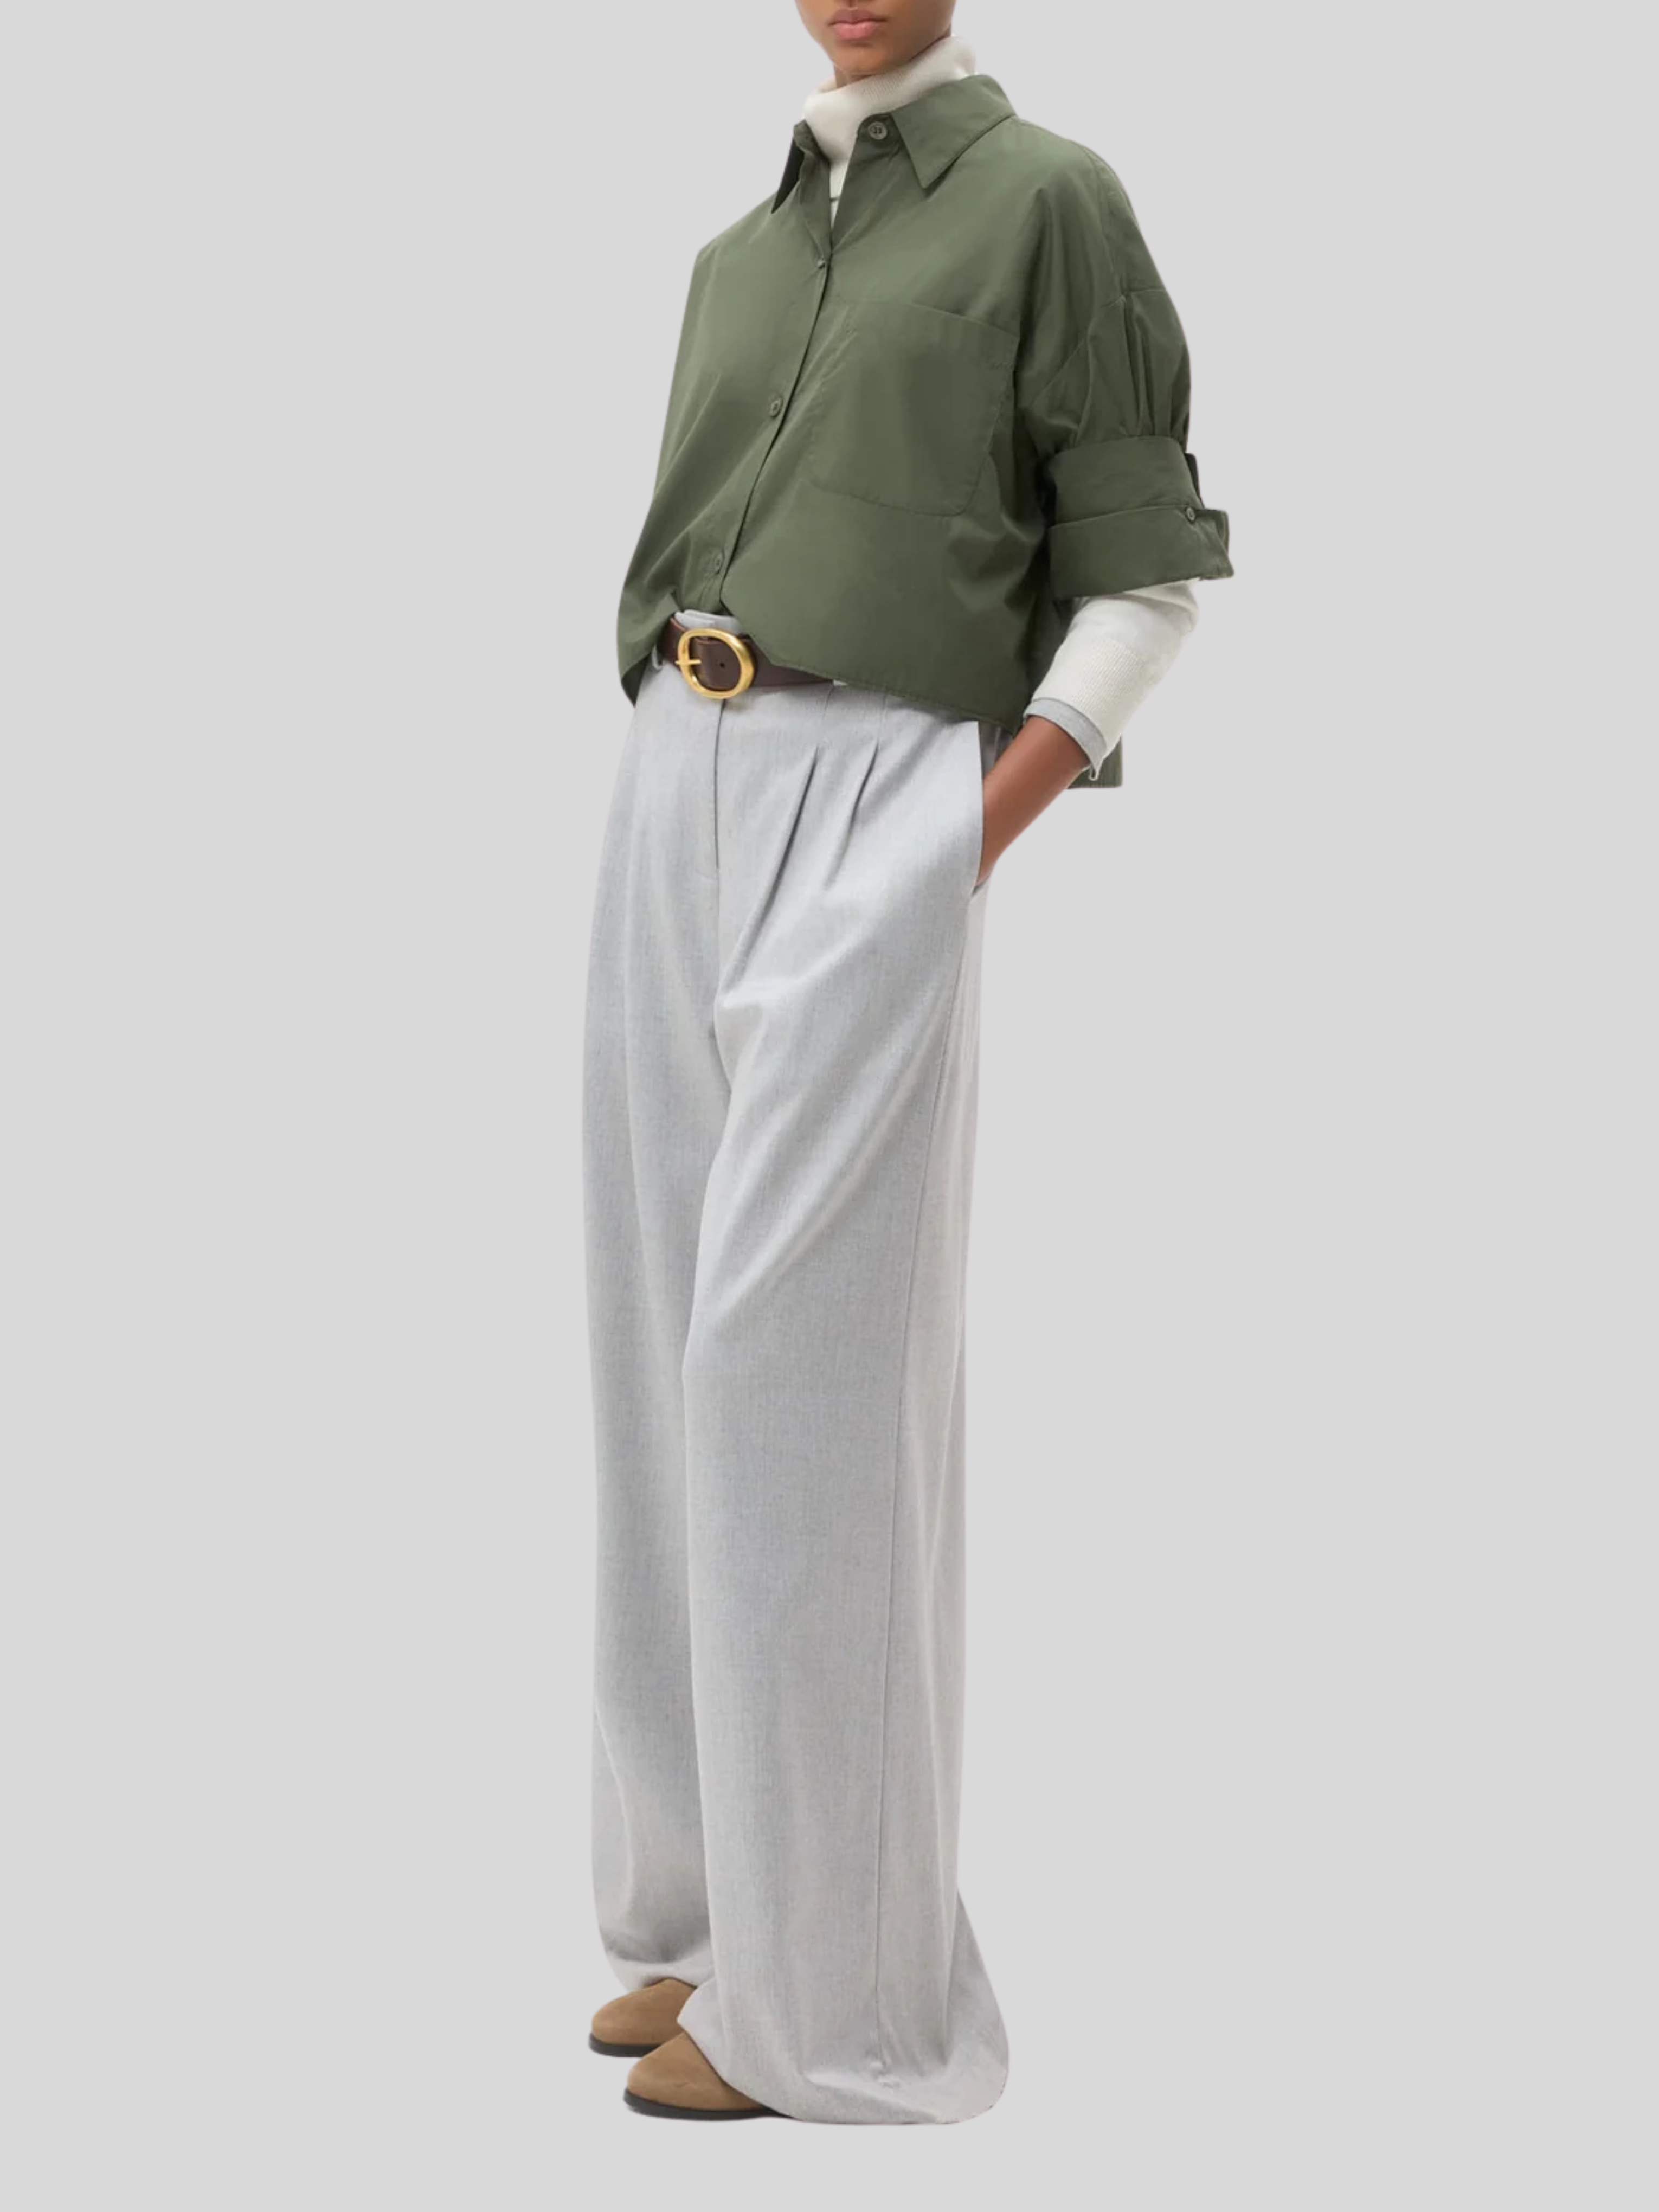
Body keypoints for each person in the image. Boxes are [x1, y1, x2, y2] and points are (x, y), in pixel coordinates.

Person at [581, 1, 1233, 2125]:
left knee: (799, 1384)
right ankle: (700, 1924)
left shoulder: (1050, 205)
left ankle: (842, 2013)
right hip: (675, 770)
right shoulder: (739, 253)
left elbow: (1142, 579)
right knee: (660, 1353)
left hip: (882, 785)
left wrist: (972, 823)